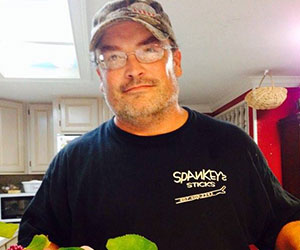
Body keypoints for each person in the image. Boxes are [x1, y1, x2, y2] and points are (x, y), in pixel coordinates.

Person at [18, 0, 300, 249]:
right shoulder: (72, 161)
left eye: (149, 50)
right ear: (100, 75)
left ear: (175, 62)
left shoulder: (231, 143)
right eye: (113, 57)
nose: (133, 69)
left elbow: (280, 223)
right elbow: (34, 238)